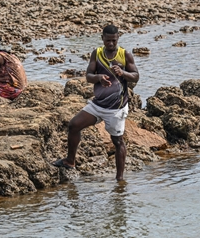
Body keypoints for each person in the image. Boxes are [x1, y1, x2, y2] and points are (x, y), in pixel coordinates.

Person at [52, 24, 139, 181]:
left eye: (113, 40)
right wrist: (99, 78)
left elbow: (136, 76)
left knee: (117, 141)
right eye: (107, 41)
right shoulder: (97, 54)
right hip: (98, 104)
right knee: (73, 125)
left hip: (116, 107)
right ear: (102, 39)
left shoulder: (125, 55)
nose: (111, 44)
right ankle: (70, 161)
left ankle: (120, 180)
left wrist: (123, 73)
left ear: (118, 38)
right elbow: (88, 76)